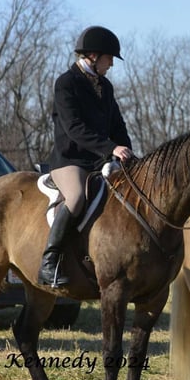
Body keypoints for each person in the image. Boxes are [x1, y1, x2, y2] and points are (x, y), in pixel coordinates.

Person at [37, 25, 134, 288]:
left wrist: (128, 152)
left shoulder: (105, 86)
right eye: (109, 58)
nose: (111, 64)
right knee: (78, 197)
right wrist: (110, 148)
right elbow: (74, 128)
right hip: (71, 160)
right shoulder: (66, 83)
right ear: (93, 55)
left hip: (99, 160)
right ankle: (49, 262)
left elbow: (117, 125)